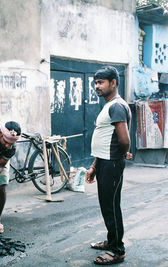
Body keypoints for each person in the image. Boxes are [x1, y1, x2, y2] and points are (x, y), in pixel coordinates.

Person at [85, 66, 132, 265]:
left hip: (112, 163)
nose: (97, 86)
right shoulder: (109, 105)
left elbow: (124, 140)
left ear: (113, 83)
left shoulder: (116, 106)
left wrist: (118, 158)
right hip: (105, 162)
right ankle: (111, 241)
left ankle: (117, 250)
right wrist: (95, 165)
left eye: (101, 82)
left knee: (111, 207)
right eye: (95, 82)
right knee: (108, 205)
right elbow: (105, 140)